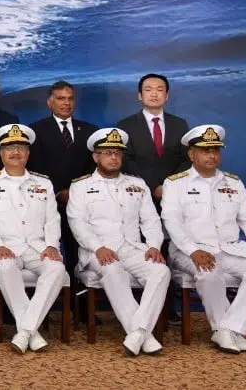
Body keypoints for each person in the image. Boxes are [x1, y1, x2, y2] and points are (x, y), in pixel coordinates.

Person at [161, 125, 246, 353]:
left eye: (216, 150)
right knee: (209, 275)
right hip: (189, 251)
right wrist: (193, 250)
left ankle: (227, 329)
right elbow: (171, 222)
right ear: (192, 154)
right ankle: (229, 331)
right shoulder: (175, 183)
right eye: (205, 150)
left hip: (229, 250)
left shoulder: (233, 183)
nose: (212, 155)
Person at [66, 128, 168, 356]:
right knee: (113, 270)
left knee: (160, 271)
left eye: (117, 153)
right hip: (96, 250)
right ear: (95, 156)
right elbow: (77, 224)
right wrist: (97, 247)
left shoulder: (137, 184)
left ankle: (138, 332)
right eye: (107, 152)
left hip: (132, 248)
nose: (113, 157)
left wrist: (153, 245)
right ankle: (144, 335)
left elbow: (151, 220)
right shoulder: (80, 186)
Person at [0, 123, 68, 354]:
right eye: (9, 148)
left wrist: (51, 245)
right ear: (1, 153)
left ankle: (25, 331)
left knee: (57, 269)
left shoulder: (43, 183)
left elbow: (52, 220)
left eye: (20, 147)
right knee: (5, 268)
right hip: (3, 247)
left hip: (37, 248)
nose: (15, 152)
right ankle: (32, 333)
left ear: (28, 153)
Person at [28, 80, 98, 278]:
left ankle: (79, 306)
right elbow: (33, 169)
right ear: (50, 103)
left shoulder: (90, 130)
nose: (66, 103)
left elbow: (94, 168)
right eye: (61, 99)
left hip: (81, 203)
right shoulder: (35, 131)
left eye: (70, 99)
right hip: (47, 203)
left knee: (80, 256)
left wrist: (74, 193)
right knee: (47, 257)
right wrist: (58, 192)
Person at [117, 74, 190, 207]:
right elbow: (126, 160)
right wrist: (154, 186)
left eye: (160, 90)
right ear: (140, 95)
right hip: (139, 193)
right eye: (148, 90)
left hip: (175, 194)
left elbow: (187, 158)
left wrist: (170, 186)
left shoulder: (180, 124)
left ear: (166, 96)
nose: (154, 94)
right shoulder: (125, 125)